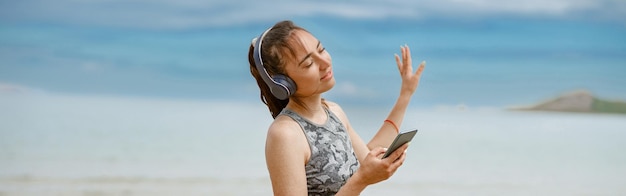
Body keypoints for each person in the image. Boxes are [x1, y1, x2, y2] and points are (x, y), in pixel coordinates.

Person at [248, 20, 426, 196]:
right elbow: (363, 174)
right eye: (308, 63)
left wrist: (405, 95)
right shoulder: (285, 134)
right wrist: (361, 180)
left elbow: (368, 158)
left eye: (321, 49)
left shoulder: (333, 111)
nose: (324, 62)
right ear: (283, 84)